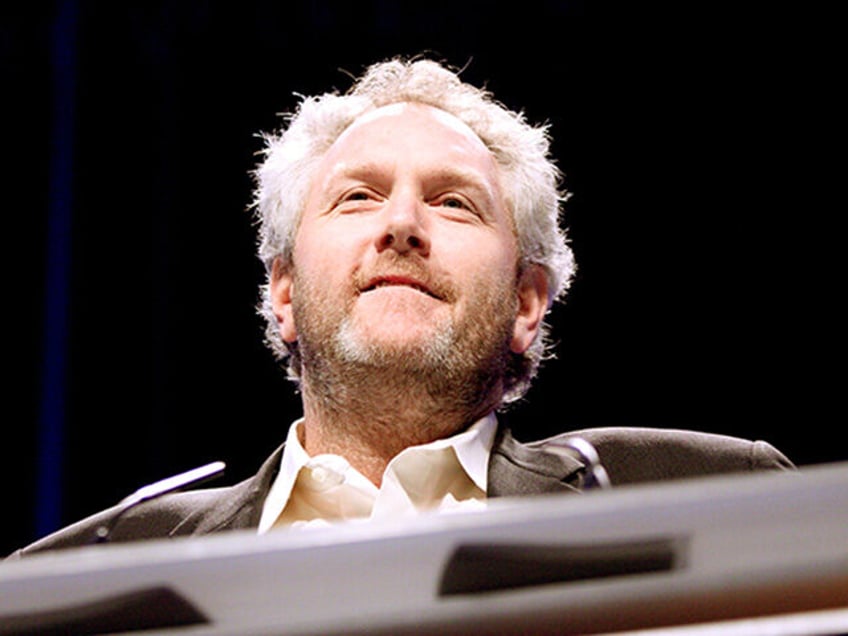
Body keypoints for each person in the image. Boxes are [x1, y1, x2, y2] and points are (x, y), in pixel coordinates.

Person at [9, 57, 793, 557]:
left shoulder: (713, 498)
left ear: (528, 302)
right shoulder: (87, 576)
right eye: (358, 197)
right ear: (282, 292)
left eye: (454, 204)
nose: (402, 225)